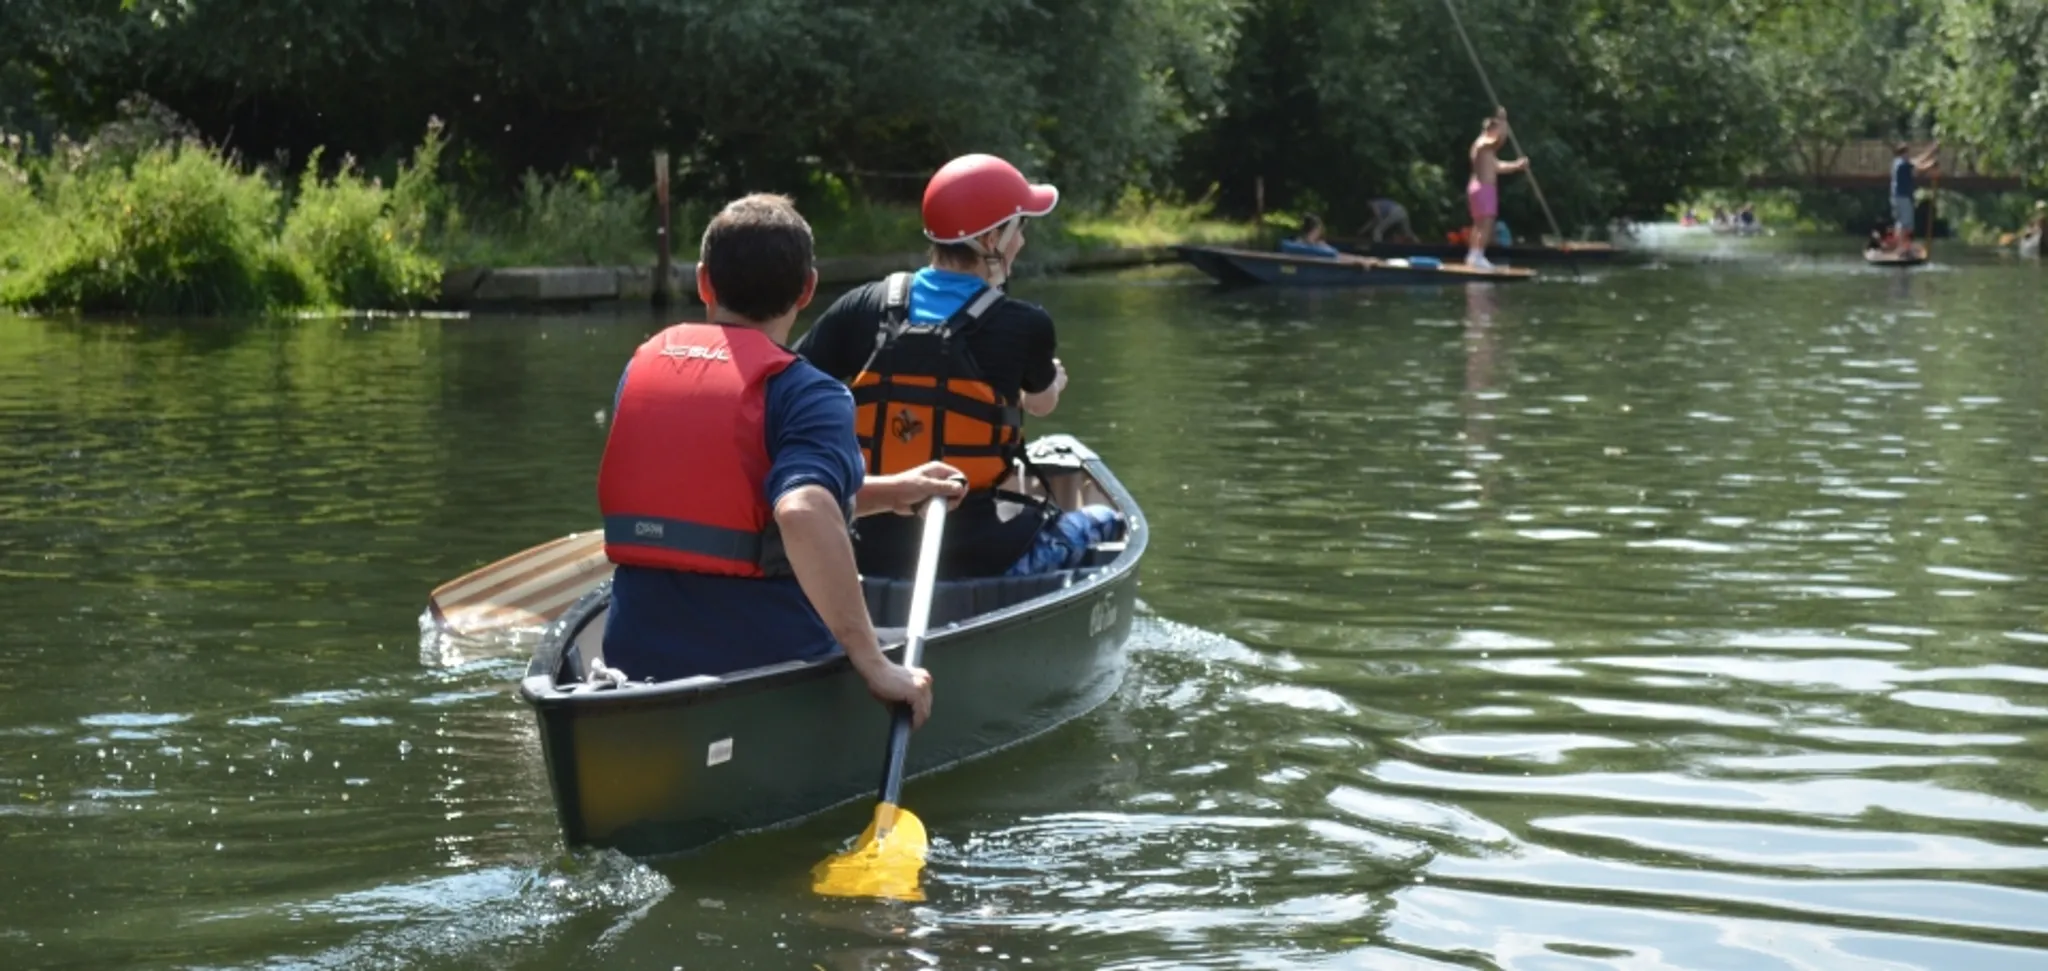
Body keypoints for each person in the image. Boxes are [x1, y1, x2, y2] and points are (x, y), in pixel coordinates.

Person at [598, 193, 969, 726]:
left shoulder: (644, 373)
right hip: (765, 663)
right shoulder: (808, 393)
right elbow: (799, 511)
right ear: (808, 290)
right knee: (875, 637)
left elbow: (740, 497)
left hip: (635, 658)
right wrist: (874, 664)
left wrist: (892, 491)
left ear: (704, 282)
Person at [796, 154, 1125, 580]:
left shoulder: (863, 305)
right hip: (983, 555)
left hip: (861, 548)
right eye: (1019, 227)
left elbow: (790, 384)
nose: (1022, 241)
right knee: (1106, 520)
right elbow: (1041, 405)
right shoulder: (1025, 324)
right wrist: (1052, 383)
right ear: (992, 240)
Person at [1467, 107, 1530, 269]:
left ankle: (1473, 255)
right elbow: (1500, 140)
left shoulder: (1485, 149)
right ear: (1490, 130)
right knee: (1486, 223)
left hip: (1479, 188)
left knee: (1479, 223)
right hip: (1483, 188)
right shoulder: (1482, 143)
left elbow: (1497, 166)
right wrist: (1503, 120)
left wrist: (1517, 165)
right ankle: (1478, 256)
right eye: (1496, 130)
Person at [1890, 140, 1940, 249]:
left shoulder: (1898, 162)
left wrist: (1931, 150)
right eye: (1907, 152)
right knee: (1906, 224)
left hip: (1898, 197)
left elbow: (1918, 160)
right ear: (1903, 153)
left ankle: (1901, 246)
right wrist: (1932, 163)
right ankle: (1902, 248)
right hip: (1903, 197)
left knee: (1901, 223)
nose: (1909, 155)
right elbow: (1919, 167)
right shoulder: (1902, 164)